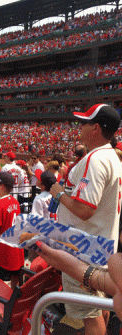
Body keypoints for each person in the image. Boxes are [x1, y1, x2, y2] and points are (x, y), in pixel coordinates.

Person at [47, 103, 122, 335]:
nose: (80, 127)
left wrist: (58, 192)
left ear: (95, 128)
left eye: (84, 123)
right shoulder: (112, 156)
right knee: (98, 307)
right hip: (101, 243)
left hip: (84, 249)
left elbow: (85, 210)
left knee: (89, 314)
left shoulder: (95, 159)